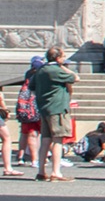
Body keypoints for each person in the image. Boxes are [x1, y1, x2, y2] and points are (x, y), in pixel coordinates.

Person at [30, 46, 76, 182]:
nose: (64, 59)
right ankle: (56, 172)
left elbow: (31, 87)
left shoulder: (40, 70)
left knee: (45, 140)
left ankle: (41, 171)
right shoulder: (55, 70)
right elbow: (75, 77)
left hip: (44, 109)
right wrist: (63, 67)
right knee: (58, 140)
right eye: (63, 56)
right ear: (57, 58)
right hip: (58, 108)